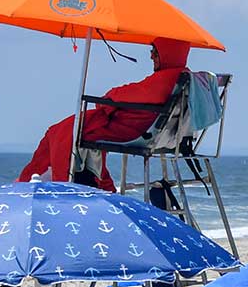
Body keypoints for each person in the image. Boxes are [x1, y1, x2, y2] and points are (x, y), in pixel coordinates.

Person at [18, 38, 193, 193]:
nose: (151, 57)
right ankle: (90, 181)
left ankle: (48, 181)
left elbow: (125, 95)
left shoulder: (165, 80)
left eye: (155, 52)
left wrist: (107, 100)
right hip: (154, 132)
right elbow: (137, 93)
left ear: (169, 53)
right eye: (152, 52)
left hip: (130, 131)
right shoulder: (181, 78)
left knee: (61, 132)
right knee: (65, 131)